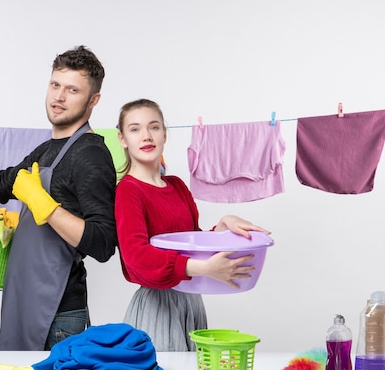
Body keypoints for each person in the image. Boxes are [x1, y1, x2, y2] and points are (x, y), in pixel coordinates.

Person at [0, 46, 117, 351]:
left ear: (93, 100)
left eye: (72, 90)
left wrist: (46, 208)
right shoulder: (46, 150)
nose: (59, 97)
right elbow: (2, 183)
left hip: (58, 317)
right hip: (21, 303)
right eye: (55, 85)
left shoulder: (90, 155)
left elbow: (104, 242)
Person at [114, 98, 270, 352]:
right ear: (122, 139)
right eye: (135, 129)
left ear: (165, 133)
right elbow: (136, 257)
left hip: (191, 302)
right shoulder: (128, 190)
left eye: (153, 127)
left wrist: (220, 228)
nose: (146, 136)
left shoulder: (176, 186)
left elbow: (191, 241)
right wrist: (204, 268)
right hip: (158, 307)